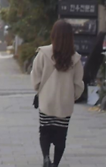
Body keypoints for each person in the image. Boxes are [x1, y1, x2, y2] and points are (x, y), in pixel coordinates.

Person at [31, 20, 84, 167]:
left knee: (45, 131)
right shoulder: (76, 58)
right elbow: (79, 84)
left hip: (46, 101)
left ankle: (46, 157)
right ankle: (55, 164)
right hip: (65, 104)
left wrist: (39, 89)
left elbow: (35, 76)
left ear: (53, 34)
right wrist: (73, 97)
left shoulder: (43, 53)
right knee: (61, 136)